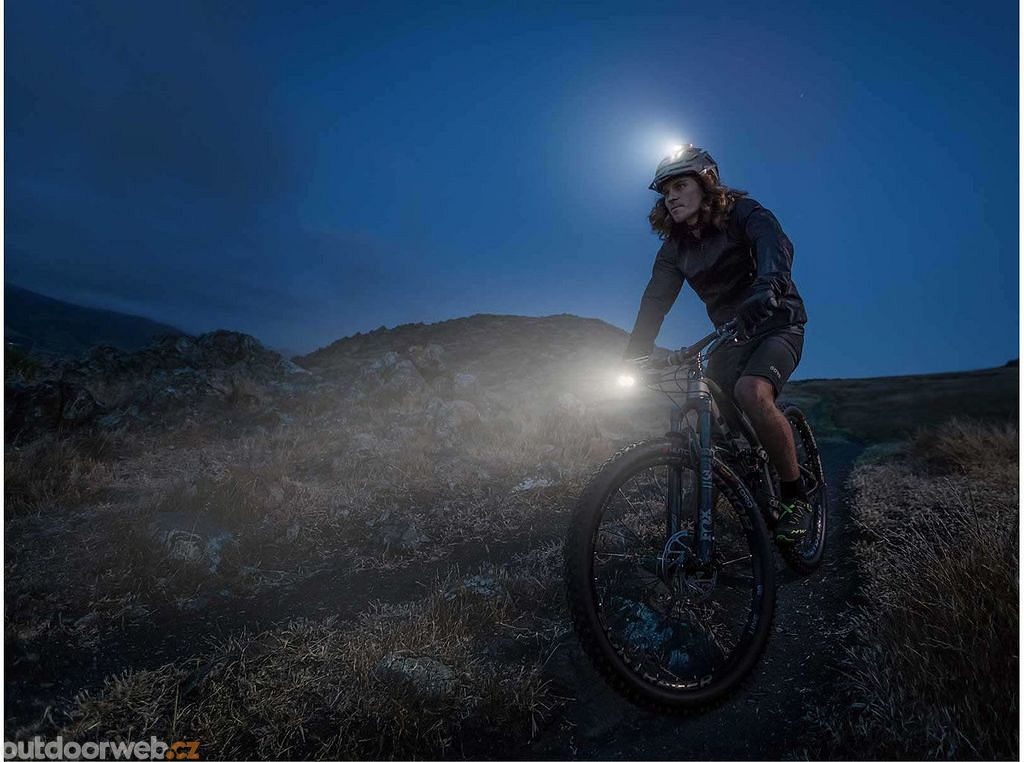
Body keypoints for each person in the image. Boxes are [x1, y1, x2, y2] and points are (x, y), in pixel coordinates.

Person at [622, 144, 811, 544]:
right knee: (708, 407)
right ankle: (740, 480)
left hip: (777, 323)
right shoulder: (674, 249)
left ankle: (796, 496)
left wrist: (768, 286)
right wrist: (635, 352)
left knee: (751, 392)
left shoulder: (743, 213)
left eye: (680, 186)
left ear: (706, 184)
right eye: (665, 191)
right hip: (731, 334)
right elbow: (655, 299)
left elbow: (774, 244)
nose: (671, 197)